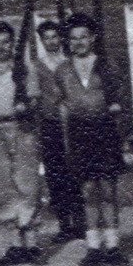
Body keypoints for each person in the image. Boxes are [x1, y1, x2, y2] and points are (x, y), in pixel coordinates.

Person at [45, 12, 127, 266]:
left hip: (104, 130)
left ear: (92, 38)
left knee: (108, 189)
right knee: (88, 190)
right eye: (73, 38)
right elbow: (61, 106)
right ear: (67, 42)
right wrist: (66, 141)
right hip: (78, 133)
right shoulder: (62, 70)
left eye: (83, 37)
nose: (78, 42)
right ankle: (93, 247)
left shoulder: (107, 65)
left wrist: (120, 134)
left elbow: (118, 101)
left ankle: (112, 246)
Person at [0, 21, 45, 266]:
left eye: (6, 42)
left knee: (27, 183)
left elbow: (35, 99)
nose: (1, 47)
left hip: (21, 127)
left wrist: (26, 108)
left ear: (13, 44)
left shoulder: (25, 68)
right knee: (3, 185)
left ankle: (32, 243)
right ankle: (15, 244)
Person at [35, 18, 87, 242]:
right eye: (47, 38)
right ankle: (65, 225)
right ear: (41, 41)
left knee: (76, 170)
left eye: (55, 37)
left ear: (61, 39)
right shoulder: (37, 66)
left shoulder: (70, 62)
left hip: (73, 122)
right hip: (50, 125)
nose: (51, 41)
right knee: (55, 175)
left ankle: (82, 223)